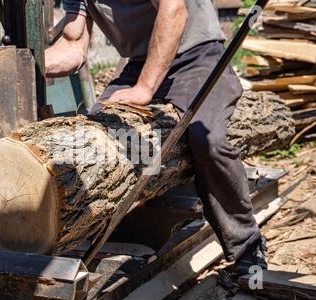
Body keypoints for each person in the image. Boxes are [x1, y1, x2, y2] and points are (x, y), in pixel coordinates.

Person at [45, 0, 267, 275]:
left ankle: (246, 243)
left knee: (206, 140)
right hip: (142, 63)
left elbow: (174, 9)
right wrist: (28, 63)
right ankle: (117, 232)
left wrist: (145, 88)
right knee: (97, 145)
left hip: (199, 58)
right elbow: (73, 46)